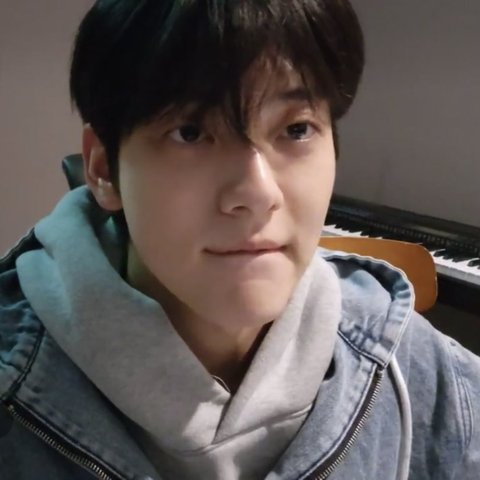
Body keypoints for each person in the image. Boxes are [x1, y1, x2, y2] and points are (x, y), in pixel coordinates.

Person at [0, 1, 479, 479]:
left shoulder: (415, 373)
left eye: (296, 129)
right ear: (103, 168)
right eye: (191, 132)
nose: (258, 193)